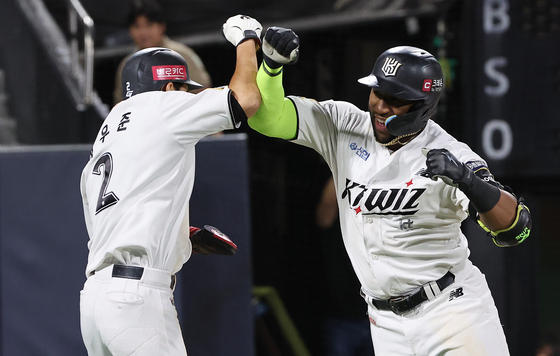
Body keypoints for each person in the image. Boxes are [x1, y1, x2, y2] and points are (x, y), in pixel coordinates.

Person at [248, 27, 532, 355]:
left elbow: (516, 230)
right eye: (376, 92)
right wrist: (271, 68)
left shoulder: (451, 154)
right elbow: (267, 120)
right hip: (384, 322)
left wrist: (469, 181)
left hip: (450, 312)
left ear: (424, 105)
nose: (381, 106)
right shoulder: (344, 124)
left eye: (395, 99)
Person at [79, 14, 262, 356]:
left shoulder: (104, 138)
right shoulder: (160, 105)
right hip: (136, 299)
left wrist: (180, 233)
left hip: (95, 300)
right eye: (183, 89)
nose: (187, 96)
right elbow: (246, 100)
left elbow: (115, 215)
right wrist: (247, 40)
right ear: (167, 87)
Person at [317, 176, 375, 356]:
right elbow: (326, 209)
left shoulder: (382, 230)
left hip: (379, 318)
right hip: (341, 319)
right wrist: (346, 162)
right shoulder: (338, 228)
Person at [113, 0, 212, 104]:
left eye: (149, 25)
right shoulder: (127, 65)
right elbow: (120, 103)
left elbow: (204, 90)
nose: (143, 32)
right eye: (137, 26)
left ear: (162, 26)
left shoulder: (181, 55)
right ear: (130, 31)